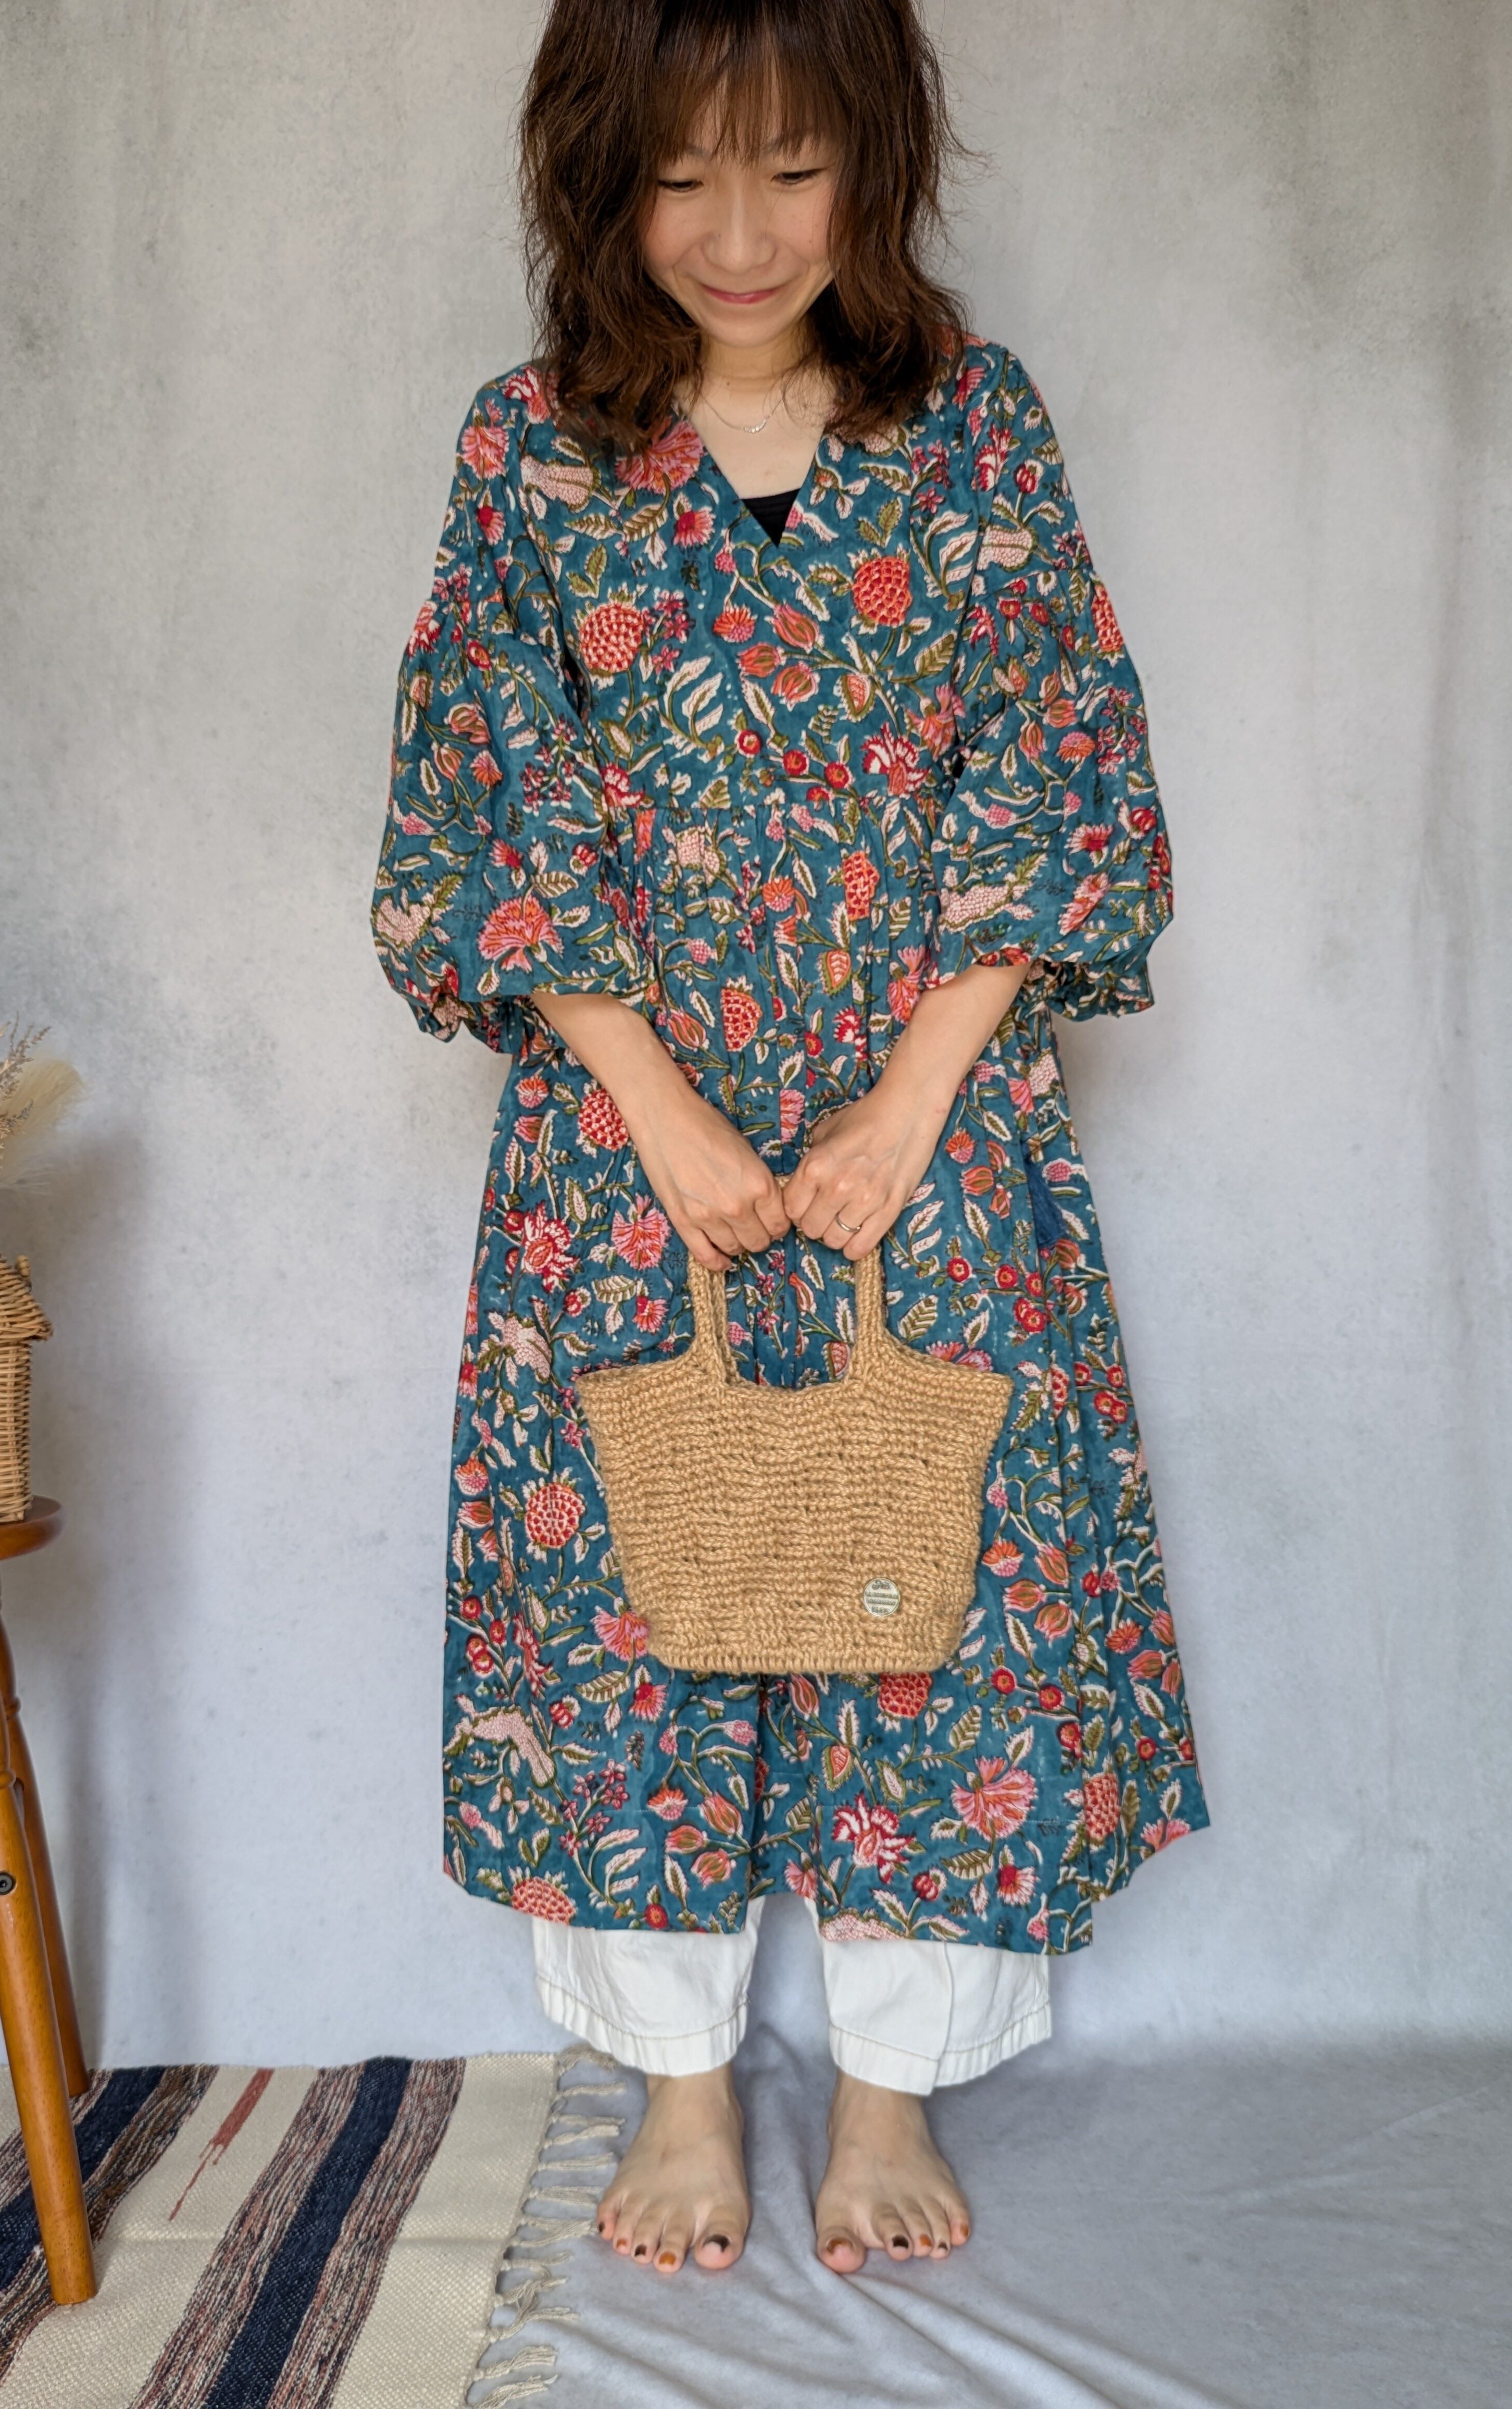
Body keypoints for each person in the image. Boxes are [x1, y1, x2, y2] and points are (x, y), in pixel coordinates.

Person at [373, 0, 1207, 2282]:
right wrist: (653, 1110)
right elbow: (484, 793)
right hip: (624, 1143)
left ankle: (885, 2088)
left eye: (791, 165)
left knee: (936, 1594)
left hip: (925, 1131)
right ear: (598, 180)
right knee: (638, 1595)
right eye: (678, 175)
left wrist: (910, 1103)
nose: (737, 230)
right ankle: (676, 2088)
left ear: (877, 159)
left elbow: (1060, 765)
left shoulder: (975, 428)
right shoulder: (531, 451)